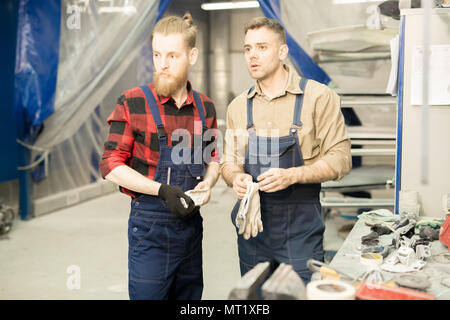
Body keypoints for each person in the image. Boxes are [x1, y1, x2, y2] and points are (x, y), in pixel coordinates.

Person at [220, 17, 352, 284]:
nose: (252, 56)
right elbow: (229, 162)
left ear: (282, 52)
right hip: (252, 233)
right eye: (247, 49)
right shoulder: (237, 106)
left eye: (261, 47)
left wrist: (293, 175)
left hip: (300, 232)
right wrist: (236, 178)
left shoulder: (318, 97)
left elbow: (340, 159)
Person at [99, 13, 220, 300]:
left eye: (172, 56)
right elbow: (110, 164)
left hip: (191, 227)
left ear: (192, 55)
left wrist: (209, 182)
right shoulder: (133, 101)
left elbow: (213, 156)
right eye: (156, 54)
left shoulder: (205, 106)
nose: (162, 64)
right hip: (150, 228)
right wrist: (161, 190)